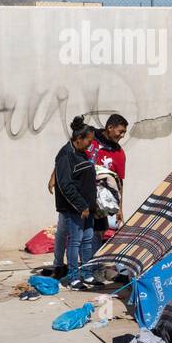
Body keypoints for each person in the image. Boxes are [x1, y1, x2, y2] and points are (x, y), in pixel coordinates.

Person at [53, 117, 102, 290]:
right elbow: (66, 185)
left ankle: (87, 274)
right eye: (89, 140)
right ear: (79, 139)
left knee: (87, 241)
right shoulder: (66, 155)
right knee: (75, 241)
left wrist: (91, 206)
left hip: (87, 208)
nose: (91, 144)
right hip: (74, 209)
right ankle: (73, 278)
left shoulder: (81, 153)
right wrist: (81, 205)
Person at [85, 114, 128, 263]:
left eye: (124, 133)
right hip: (83, 196)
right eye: (120, 131)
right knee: (77, 234)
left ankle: (93, 266)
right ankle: (63, 266)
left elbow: (119, 183)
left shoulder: (119, 154)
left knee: (99, 232)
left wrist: (119, 208)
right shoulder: (90, 139)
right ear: (110, 128)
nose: (122, 136)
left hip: (103, 202)